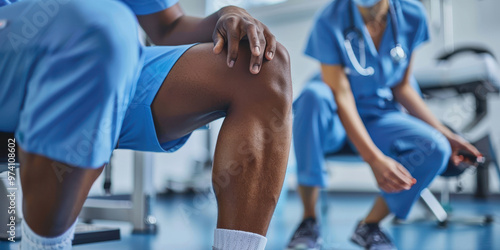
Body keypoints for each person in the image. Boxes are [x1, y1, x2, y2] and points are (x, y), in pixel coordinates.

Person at [0, 0, 293, 249]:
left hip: (107, 56)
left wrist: (224, 15)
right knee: (100, 28)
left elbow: (168, 26)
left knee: (264, 67)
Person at [287, 0, 481, 249]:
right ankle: (309, 221)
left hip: (379, 114)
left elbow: (402, 85)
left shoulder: (412, 15)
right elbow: (342, 95)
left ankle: (370, 226)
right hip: (333, 116)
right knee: (312, 96)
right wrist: (373, 158)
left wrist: (446, 134)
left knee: (437, 147)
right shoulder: (329, 19)